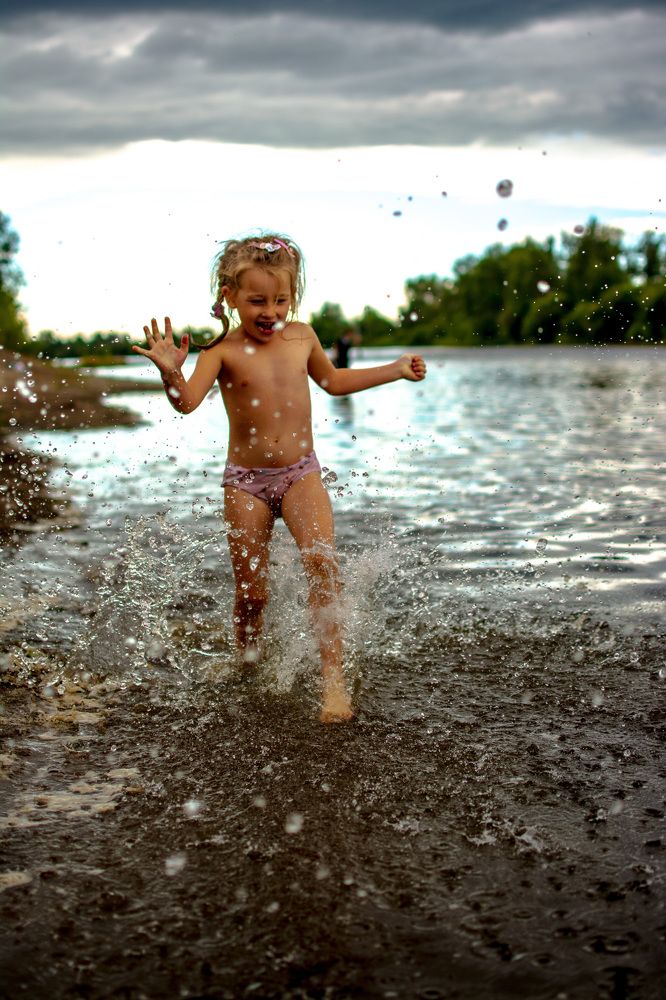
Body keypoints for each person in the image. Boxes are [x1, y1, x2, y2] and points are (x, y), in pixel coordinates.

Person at [133, 234, 426, 723]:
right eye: (257, 301)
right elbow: (186, 403)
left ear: (293, 297)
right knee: (252, 593)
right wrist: (170, 374)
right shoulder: (221, 350)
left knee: (322, 567)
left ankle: (334, 686)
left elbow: (334, 382)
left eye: (280, 300)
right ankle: (247, 664)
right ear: (229, 297)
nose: (270, 311)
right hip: (244, 482)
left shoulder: (303, 337)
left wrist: (394, 369)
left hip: (300, 474)